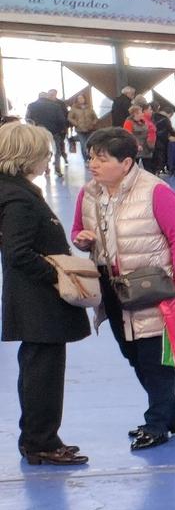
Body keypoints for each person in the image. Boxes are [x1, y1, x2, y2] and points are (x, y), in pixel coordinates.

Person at [72, 127, 175, 450]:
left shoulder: (156, 192)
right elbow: (77, 230)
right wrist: (82, 240)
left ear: (126, 163)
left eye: (101, 158)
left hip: (152, 288)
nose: (93, 165)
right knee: (133, 355)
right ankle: (171, 415)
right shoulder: (89, 193)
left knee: (155, 358)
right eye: (91, 157)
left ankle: (157, 424)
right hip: (112, 288)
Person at [0, 121, 90, 465]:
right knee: (43, 374)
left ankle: (40, 438)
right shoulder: (18, 197)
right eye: (43, 153)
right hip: (38, 302)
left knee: (39, 370)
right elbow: (18, 253)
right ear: (27, 156)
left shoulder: (15, 190)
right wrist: (59, 275)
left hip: (32, 301)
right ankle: (41, 441)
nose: (47, 158)